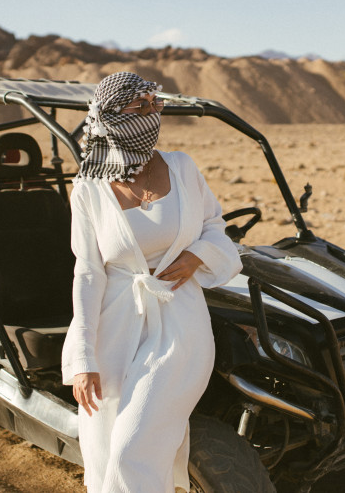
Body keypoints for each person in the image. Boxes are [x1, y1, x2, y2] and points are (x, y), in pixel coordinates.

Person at [61, 72, 242, 492]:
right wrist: (84, 357)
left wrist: (199, 255)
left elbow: (215, 225)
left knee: (133, 450)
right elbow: (87, 272)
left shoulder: (181, 167)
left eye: (154, 106)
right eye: (140, 108)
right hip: (115, 326)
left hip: (180, 326)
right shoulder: (88, 189)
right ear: (109, 116)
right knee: (107, 448)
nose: (152, 116)